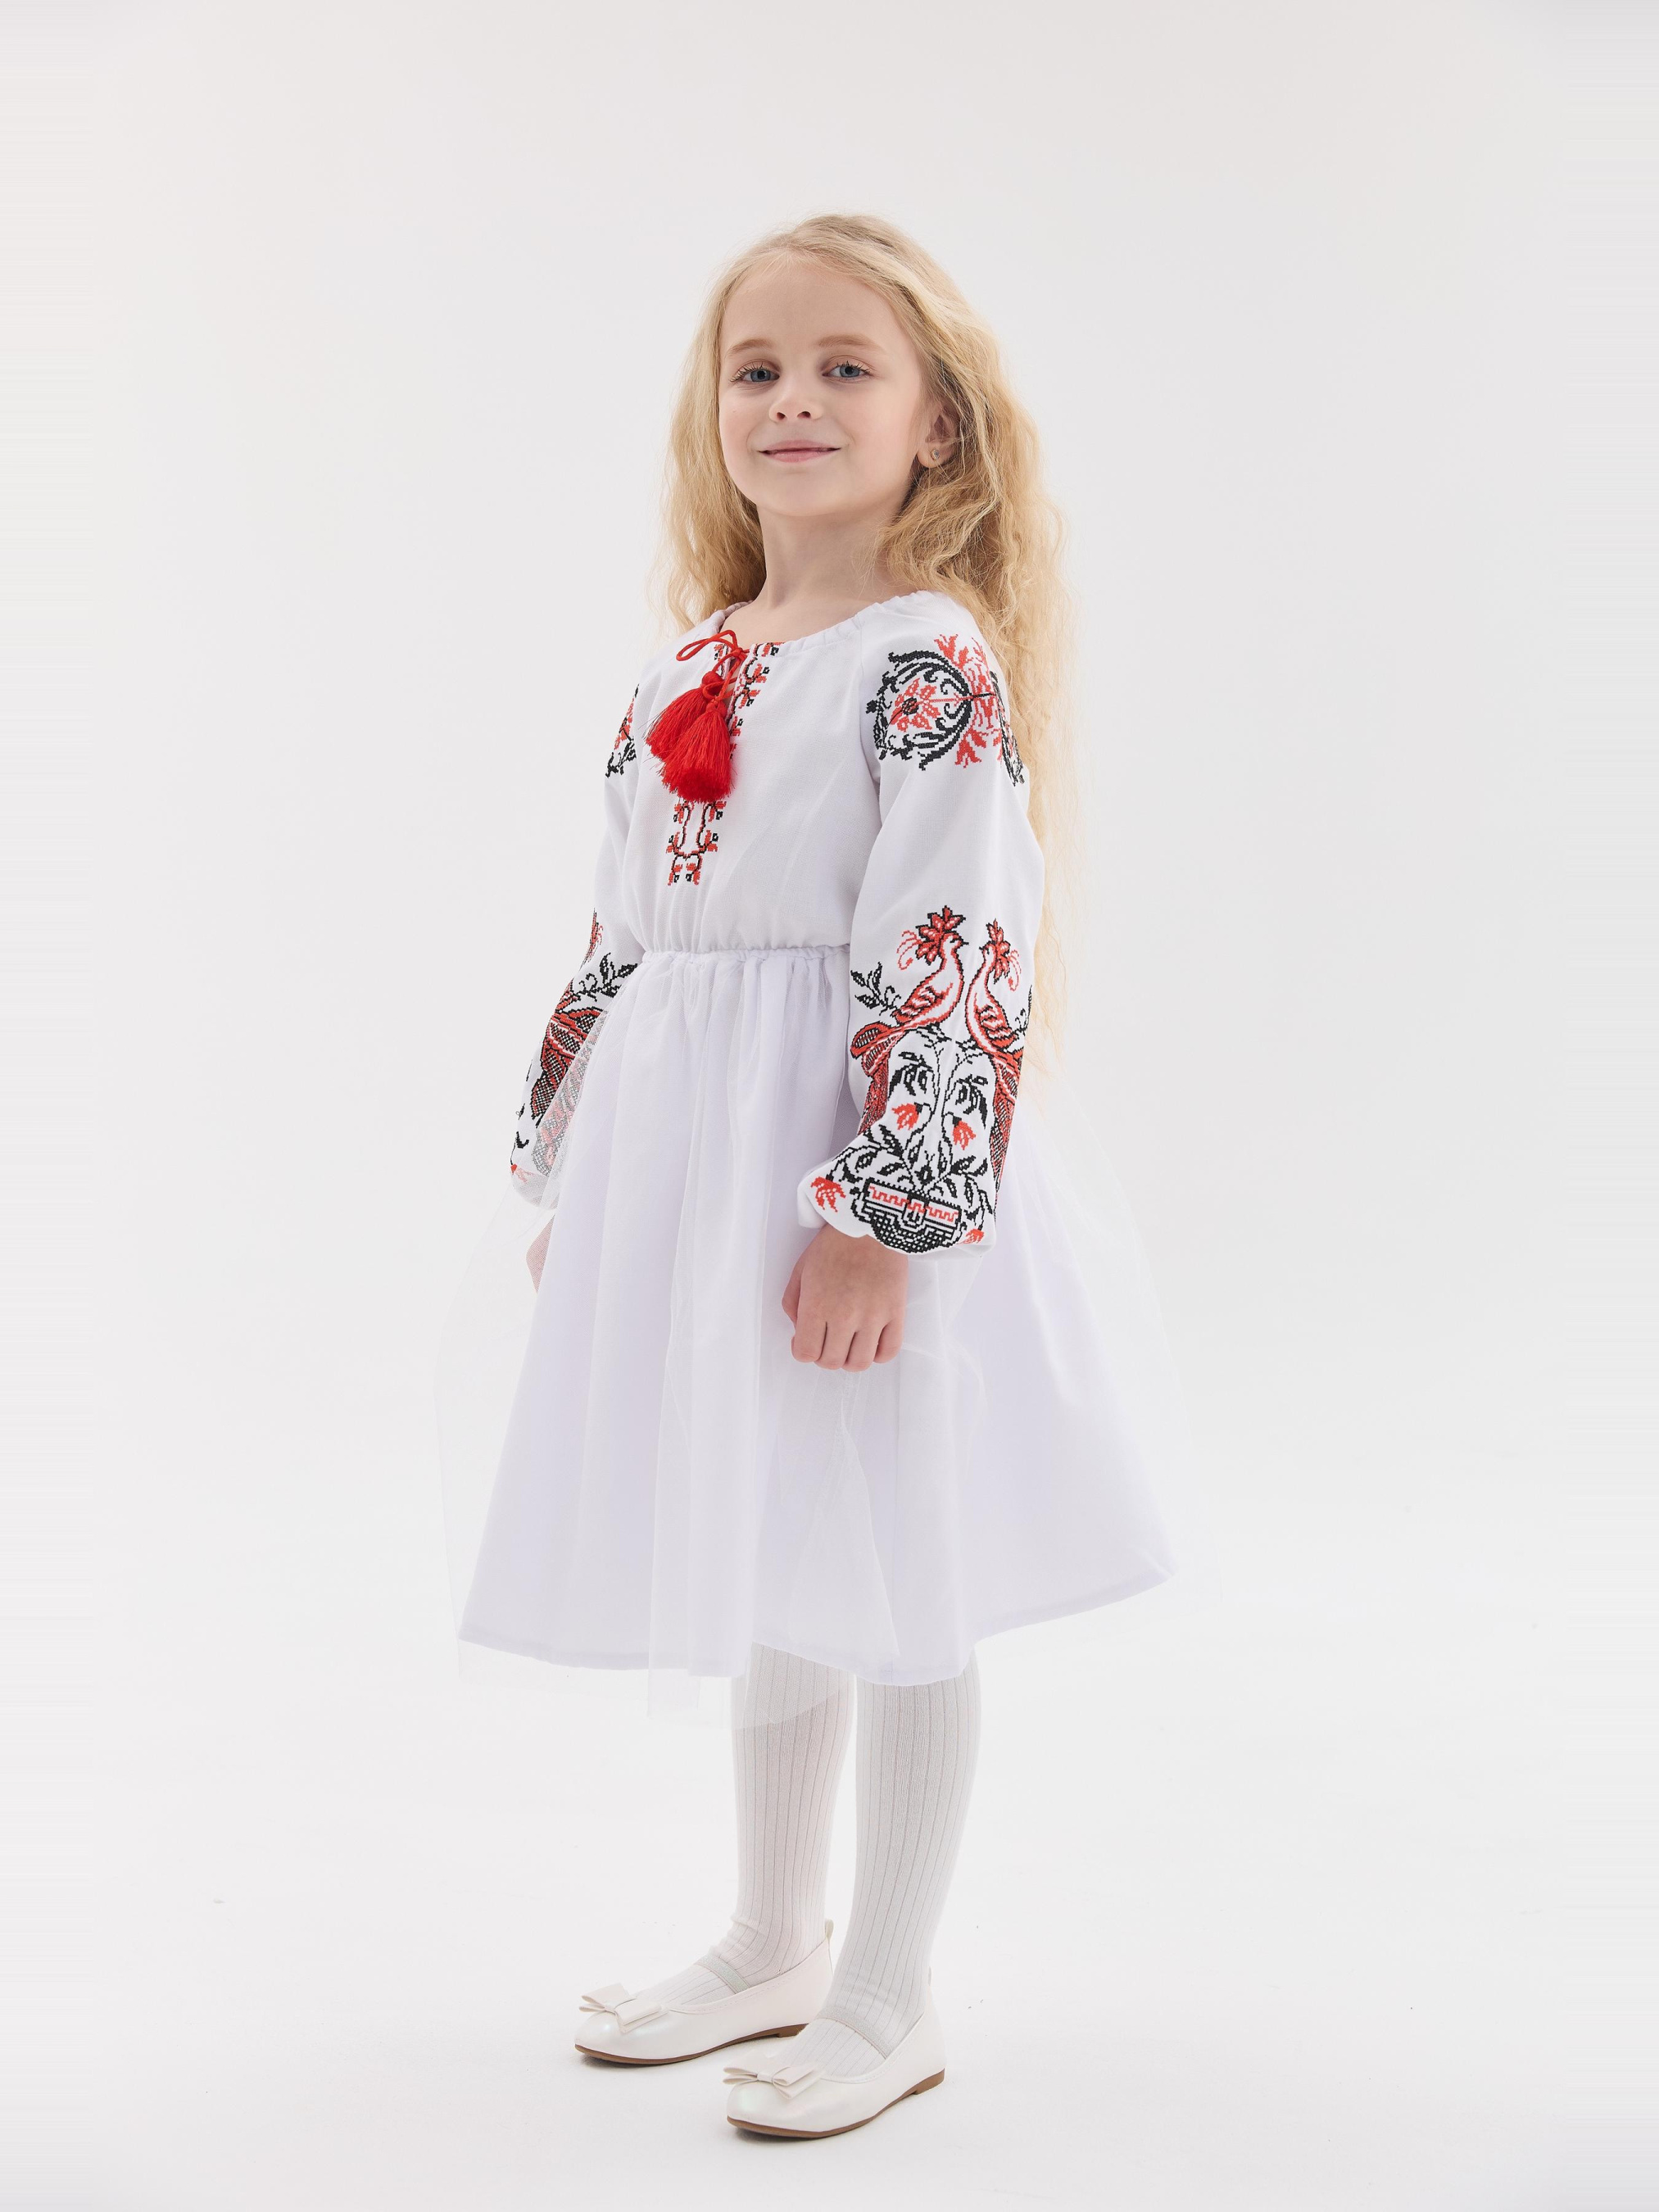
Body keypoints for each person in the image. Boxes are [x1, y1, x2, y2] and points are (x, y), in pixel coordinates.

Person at [443, 212, 1182, 2141]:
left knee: (890, 1539)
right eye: (755, 367)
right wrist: (567, 1165)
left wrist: (879, 1221)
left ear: (934, 422)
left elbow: (955, 938)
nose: (792, 398)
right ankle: (772, 1933)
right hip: (694, 1161)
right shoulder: (682, 668)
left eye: (845, 366)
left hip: (844, 1160)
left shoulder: (924, 663)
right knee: (771, 1519)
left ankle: (887, 1985)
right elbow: (617, 937)